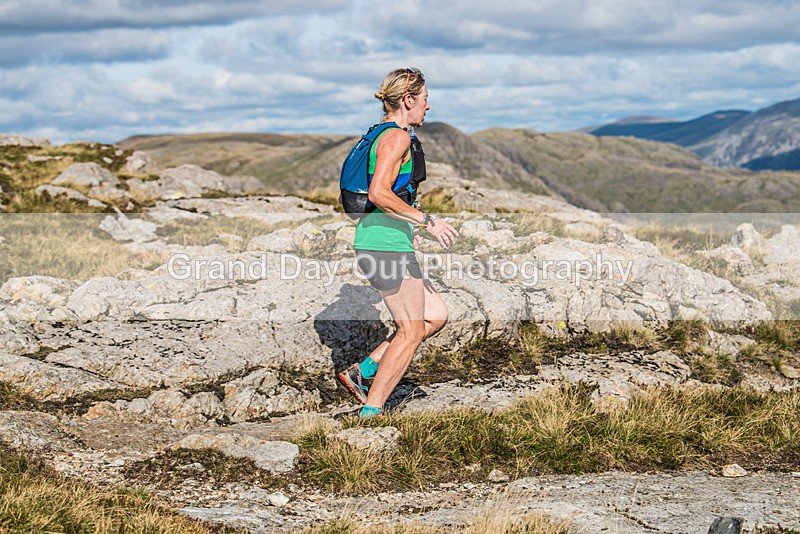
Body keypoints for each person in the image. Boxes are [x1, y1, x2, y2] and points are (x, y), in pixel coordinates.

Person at [338, 67, 460, 418]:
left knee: (434, 316)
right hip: (383, 244)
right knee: (409, 331)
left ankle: (365, 370)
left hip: (389, 240)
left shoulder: (384, 134)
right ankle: (372, 412)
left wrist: (411, 221)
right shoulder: (396, 138)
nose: (428, 106)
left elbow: (390, 193)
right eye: (424, 100)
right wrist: (428, 221)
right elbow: (378, 192)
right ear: (408, 100)